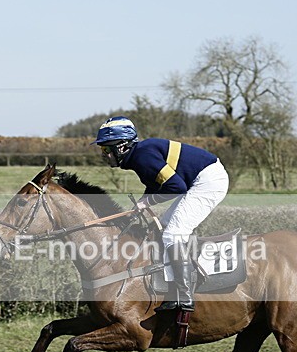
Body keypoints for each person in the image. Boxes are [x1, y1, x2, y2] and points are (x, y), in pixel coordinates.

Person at [92, 116, 229, 312]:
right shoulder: (137, 156)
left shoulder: (141, 156)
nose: (103, 154)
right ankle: (170, 284)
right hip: (198, 179)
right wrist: (142, 201)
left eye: (106, 149)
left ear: (121, 146)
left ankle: (184, 296)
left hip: (208, 181)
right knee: (164, 227)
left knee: (173, 234)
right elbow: (156, 183)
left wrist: (147, 201)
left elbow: (176, 186)